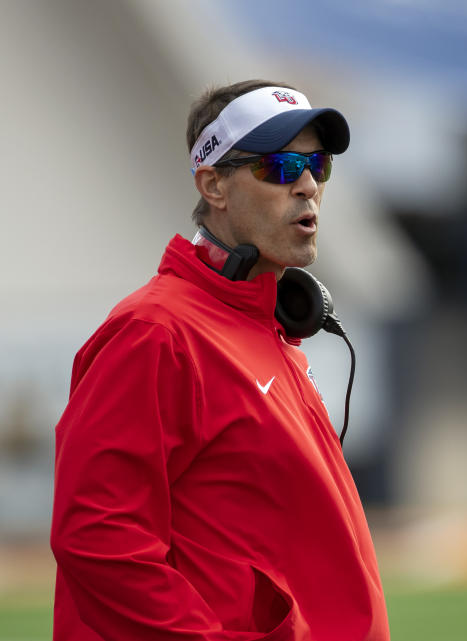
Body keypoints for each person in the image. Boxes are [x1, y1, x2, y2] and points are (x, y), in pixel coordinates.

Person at [50, 80, 389, 640]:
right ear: (213, 185)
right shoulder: (156, 333)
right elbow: (96, 534)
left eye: (318, 164)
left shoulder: (268, 328)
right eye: (280, 167)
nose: (306, 185)